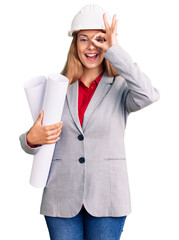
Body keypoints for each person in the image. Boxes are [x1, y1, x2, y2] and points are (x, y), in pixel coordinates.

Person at [19, 4, 160, 240]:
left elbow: (149, 95)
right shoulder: (56, 88)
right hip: (60, 196)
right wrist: (30, 140)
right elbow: (35, 138)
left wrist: (115, 49)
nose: (92, 46)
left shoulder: (121, 88)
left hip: (108, 197)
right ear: (74, 43)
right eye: (84, 39)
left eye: (100, 39)